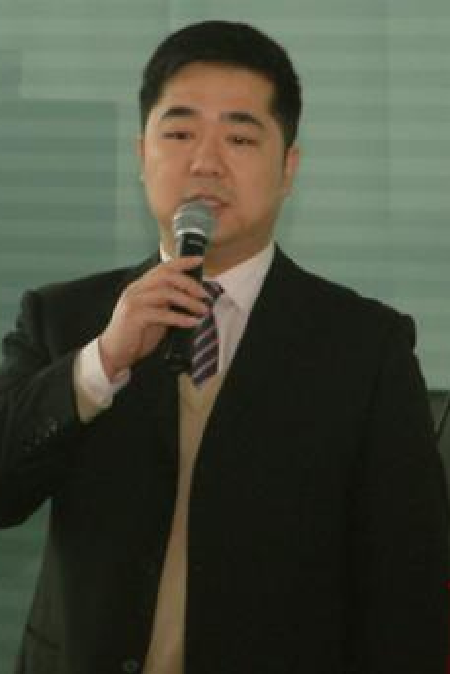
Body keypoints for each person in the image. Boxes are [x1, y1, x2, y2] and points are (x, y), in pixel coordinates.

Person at [0, 20, 447, 674]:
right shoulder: (63, 318)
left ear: (288, 167)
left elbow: (407, 590)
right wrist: (101, 363)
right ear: (141, 154)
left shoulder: (366, 347)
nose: (205, 162)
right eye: (179, 133)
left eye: (239, 138)